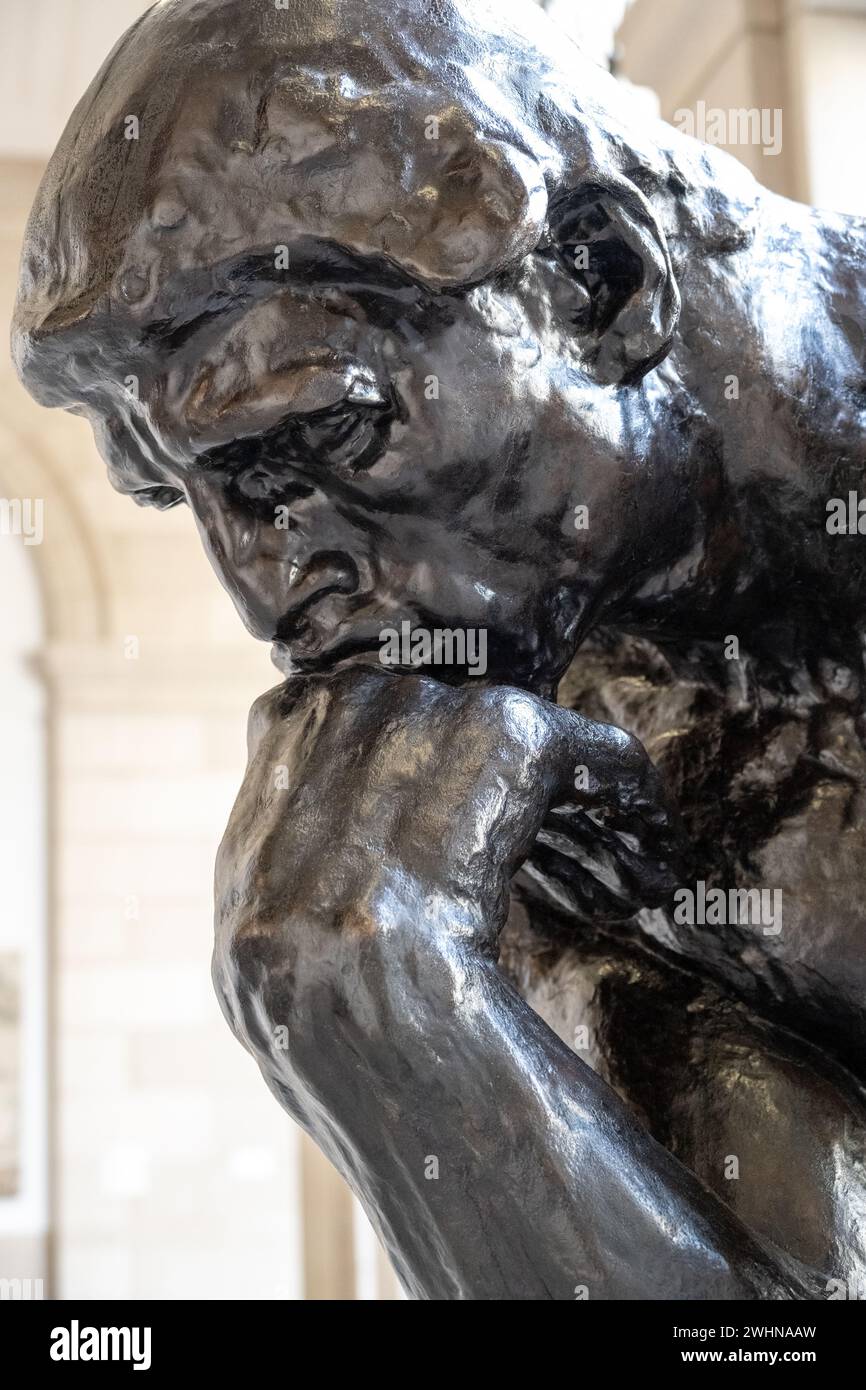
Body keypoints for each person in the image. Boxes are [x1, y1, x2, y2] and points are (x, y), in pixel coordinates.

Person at [13, 0, 866, 1298]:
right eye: (181, 497)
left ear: (597, 283)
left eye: (325, 437)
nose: (261, 596)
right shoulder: (519, 729)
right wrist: (407, 1036)